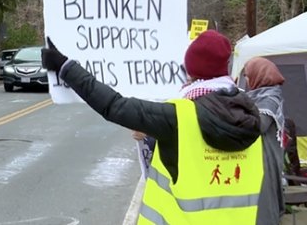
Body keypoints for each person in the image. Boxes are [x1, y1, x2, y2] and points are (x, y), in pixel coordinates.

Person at [41, 30, 266, 224]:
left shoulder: (178, 116)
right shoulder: (252, 114)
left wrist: (65, 67)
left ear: (192, 71)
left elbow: (114, 106)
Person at [244, 57, 286, 225]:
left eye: (248, 76)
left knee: (265, 201)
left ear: (259, 76)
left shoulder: (270, 98)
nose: (246, 80)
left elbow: (259, 125)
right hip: (258, 157)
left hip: (266, 158)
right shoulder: (256, 96)